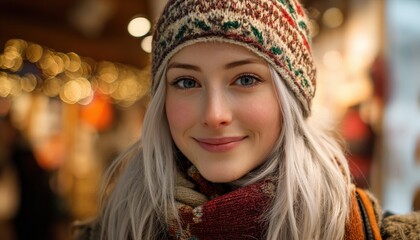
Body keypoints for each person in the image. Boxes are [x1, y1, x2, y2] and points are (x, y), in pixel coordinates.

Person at [73, 0, 420, 239]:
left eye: (246, 80)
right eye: (186, 82)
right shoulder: (111, 231)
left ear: (291, 97)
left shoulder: (374, 232)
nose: (214, 114)